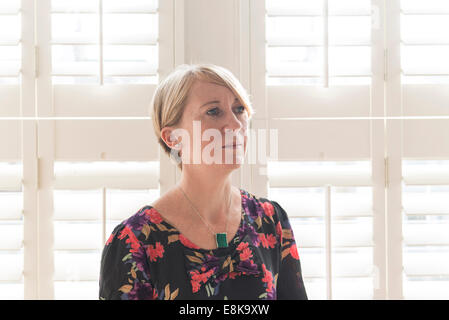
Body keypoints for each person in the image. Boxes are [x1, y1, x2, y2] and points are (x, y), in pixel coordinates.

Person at [99, 63, 307, 300]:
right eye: (213, 112)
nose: (236, 125)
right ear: (173, 138)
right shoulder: (134, 241)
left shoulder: (270, 220)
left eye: (239, 109)